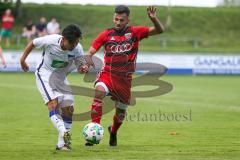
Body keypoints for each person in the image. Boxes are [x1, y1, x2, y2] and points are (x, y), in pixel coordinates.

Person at [85, 5, 164, 146]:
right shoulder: (106, 34)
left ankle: (113, 131)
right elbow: (90, 50)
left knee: (120, 113)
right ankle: (94, 130)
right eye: (116, 19)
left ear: (128, 20)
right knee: (99, 92)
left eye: (121, 20)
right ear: (113, 18)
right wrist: (89, 57)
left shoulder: (135, 32)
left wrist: (154, 19)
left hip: (125, 80)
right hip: (107, 74)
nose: (118, 22)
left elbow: (159, 30)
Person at [20, 24, 89, 151]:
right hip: (45, 74)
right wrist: (22, 60)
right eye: (72, 43)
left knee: (69, 109)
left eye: (76, 42)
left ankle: (62, 144)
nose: (74, 45)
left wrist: (83, 67)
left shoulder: (77, 48)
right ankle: (64, 132)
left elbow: (81, 64)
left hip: (61, 78)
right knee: (53, 104)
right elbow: (33, 43)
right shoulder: (51, 40)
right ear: (63, 39)